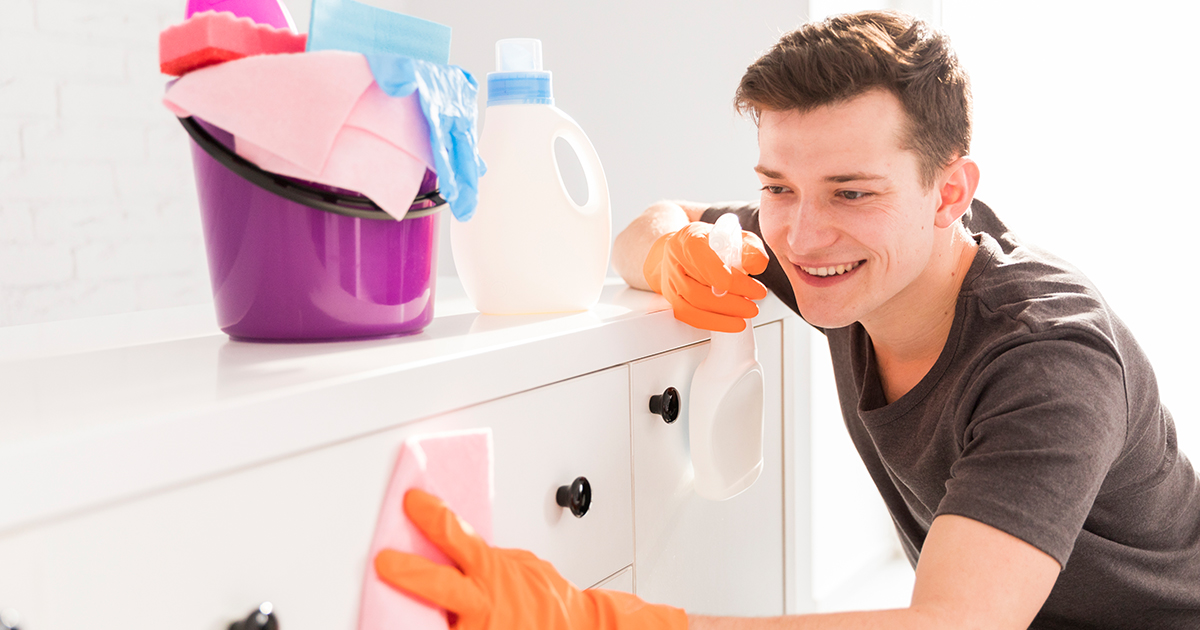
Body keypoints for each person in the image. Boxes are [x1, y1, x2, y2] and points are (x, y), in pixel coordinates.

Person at [372, 10, 1200, 629]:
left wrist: (605, 621)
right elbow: (650, 226)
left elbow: (959, 622)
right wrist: (674, 252)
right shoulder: (856, 264)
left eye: (852, 192)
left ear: (950, 191)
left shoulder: (1049, 355)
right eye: (777, 187)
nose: (801, 237)